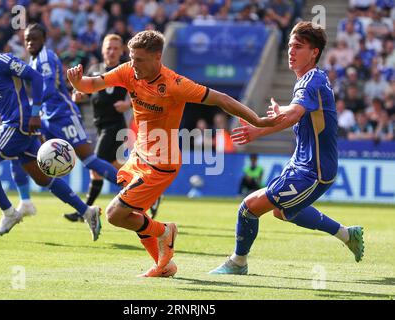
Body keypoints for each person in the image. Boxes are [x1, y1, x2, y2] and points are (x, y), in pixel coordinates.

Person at [67, 30, 283, 277]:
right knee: (134, 215)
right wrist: (78, 83)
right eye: (132, 57)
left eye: (139, 59)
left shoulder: (174, 84)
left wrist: (256, 120)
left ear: (157, 57)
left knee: (116, 215)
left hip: (161, 165)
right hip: (139, 156)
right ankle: (164, 265)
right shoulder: (128, 70)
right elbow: (93, 83)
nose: (133, 64)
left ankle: (164, 231)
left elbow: (221, 99)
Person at [209, 22, 365, 276]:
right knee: (282, 213)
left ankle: (238, 262)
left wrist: (278, 115)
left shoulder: (310, 82)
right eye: (290, 46)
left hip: (313, 171)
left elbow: (293, 114)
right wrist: (261, 130)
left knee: (249, 207)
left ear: (314, 52)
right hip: (301, 164)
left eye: (298, 47)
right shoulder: (311, 79)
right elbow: (293, 117)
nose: (291, 52)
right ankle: (347, 234)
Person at [0, 27, 101, 239]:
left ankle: (10, 213)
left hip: (18, 123)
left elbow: (36, 78)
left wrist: (36, 112)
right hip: (19, 125)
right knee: (42, 178)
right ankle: (87, 211)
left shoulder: (1, 60)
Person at [9, 23, 119, 227]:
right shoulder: (33, 60)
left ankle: (129, 187)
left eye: (34, 38)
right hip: (46, 117)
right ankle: (27, 200)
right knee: (20, 149)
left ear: (44, 40)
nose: (30, 42)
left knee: (89, 160)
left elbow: (48, 89)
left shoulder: (45, 58)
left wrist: (33, 111)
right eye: (27, 39)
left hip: (63, 114)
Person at [64, 34, 162, 222]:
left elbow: (144, 95)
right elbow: (85, 92)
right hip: (100, 125)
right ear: (102, 50)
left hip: (115, 126)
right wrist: (79, 96)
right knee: (113, 167)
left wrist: (128, 105)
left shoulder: (128, 70)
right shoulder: (95, 70)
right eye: (109, 48)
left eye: (116, 48)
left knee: (96, 165)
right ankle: (149, 191)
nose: (112, 51)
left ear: (122, 51)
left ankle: (83, 211)